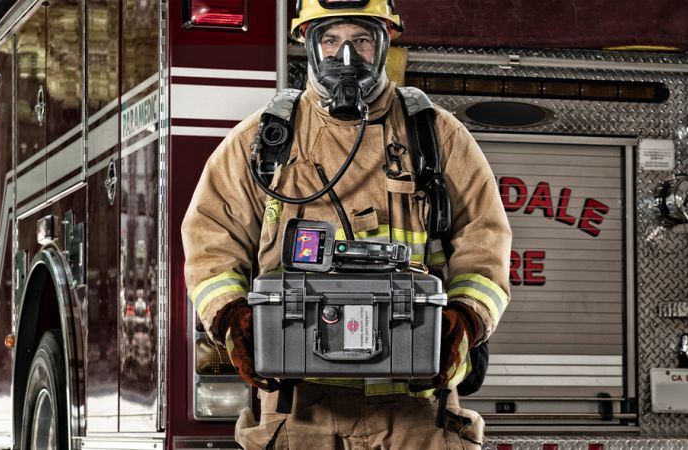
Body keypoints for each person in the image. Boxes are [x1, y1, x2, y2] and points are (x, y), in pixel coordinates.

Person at [181, 0, 512, 448]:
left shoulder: (436, 135)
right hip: (301, 408)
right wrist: (231, 315)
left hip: (416, 406)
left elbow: (485, 238)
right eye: (331, 41)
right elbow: (211, 240)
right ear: (309, 45)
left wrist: (465, 319)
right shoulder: (263, 141)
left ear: (385, 43)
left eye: (361, 40)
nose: (346, 56)